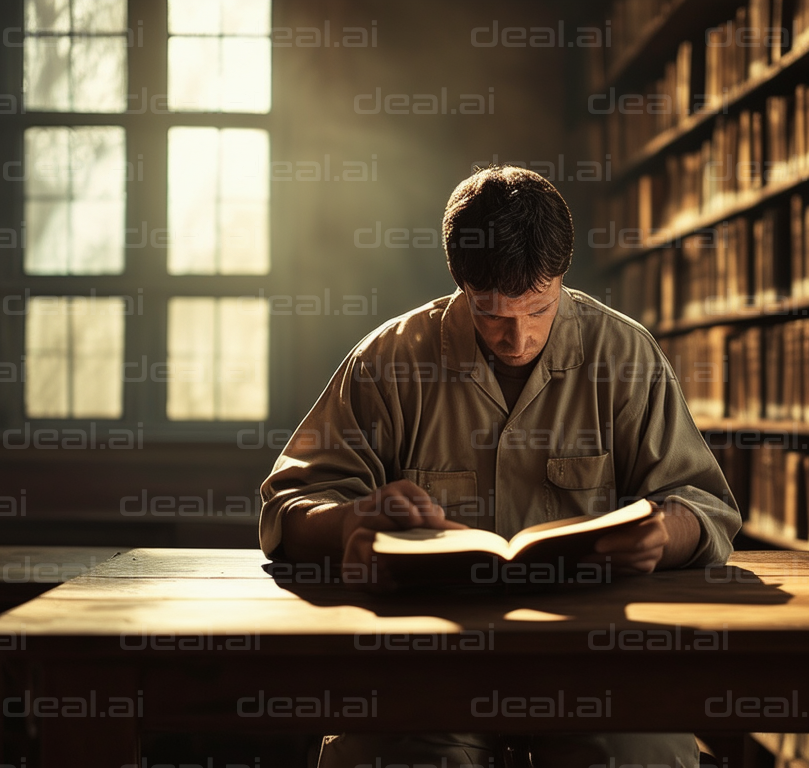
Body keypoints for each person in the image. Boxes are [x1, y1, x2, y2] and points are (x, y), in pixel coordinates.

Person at [259, 165, 742, 768]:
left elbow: (706, 505)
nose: (517, 338)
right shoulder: (389, 360)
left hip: (596, 657)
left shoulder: (624, 355)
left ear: (563, 277)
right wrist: (349, 522)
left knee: (640, 755)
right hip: (424, 658)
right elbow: (289, 505)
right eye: (492, 314)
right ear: (460, 284)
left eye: (539, 309)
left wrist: (668, 533)